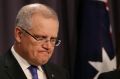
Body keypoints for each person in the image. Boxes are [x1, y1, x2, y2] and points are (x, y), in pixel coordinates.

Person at [0, 3, 69, 79]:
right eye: (41, 38)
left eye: (53, 40)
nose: (48, 46)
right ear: (19, 35)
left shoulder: (61, 74)